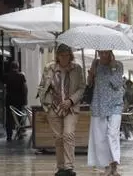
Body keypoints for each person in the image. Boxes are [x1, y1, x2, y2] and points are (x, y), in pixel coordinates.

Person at [37, 44, 85, 176]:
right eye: (62, 55)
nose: (64, 58)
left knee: (68, 134)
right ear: (57, 56)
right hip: (53, 107)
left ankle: (69, 167)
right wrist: (45, 103)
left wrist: (70, 101)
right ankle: (61, 167)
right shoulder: (49, 68)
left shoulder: (77, 69)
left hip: (71, 107)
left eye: (67, 55)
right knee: (58, 138)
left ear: (70, 55)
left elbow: (82, 88)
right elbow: (42, 86)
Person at [87, 50, 124, 176]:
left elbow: (117, 84)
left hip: (115, 105)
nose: (103, 55)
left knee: (112, 134)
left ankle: (115, 164)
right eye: (101, 53)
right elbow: (89, 84)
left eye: (106, 53)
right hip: (99, 104)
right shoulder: (95, 64)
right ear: (98, 53)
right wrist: (91, 75)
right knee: (100, 138)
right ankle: (108, 166)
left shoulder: (118, 65)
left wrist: (113, 68)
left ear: (110, 53)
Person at [4, 61, 28, 141]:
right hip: (19, 101)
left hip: (9, 100)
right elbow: (25, 89)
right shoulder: (21, 76)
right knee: (19, 117)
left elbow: (4, 87)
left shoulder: (6, 76)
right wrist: (25, 100)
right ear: (18, 67)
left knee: (9, 118)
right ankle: (20, 133)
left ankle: (9, 136)